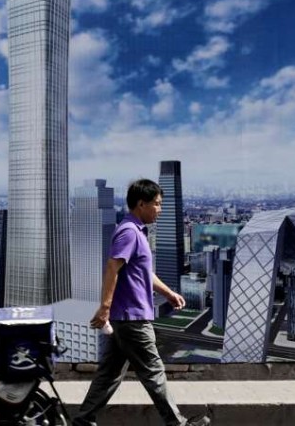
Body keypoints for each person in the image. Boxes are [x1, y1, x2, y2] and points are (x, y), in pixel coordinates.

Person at [73, 178, 211, 426]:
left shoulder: (136, 231)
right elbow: (112, 268)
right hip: (131, 317)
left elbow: (143, 272)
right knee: (153, 371)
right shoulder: (128, 232)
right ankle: (177, 423)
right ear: (141, 204)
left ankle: (83, 420)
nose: (160, 209)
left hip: (125, 317)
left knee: (109, 374)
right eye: (156, 204)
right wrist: (104, 307)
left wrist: (168, 293)